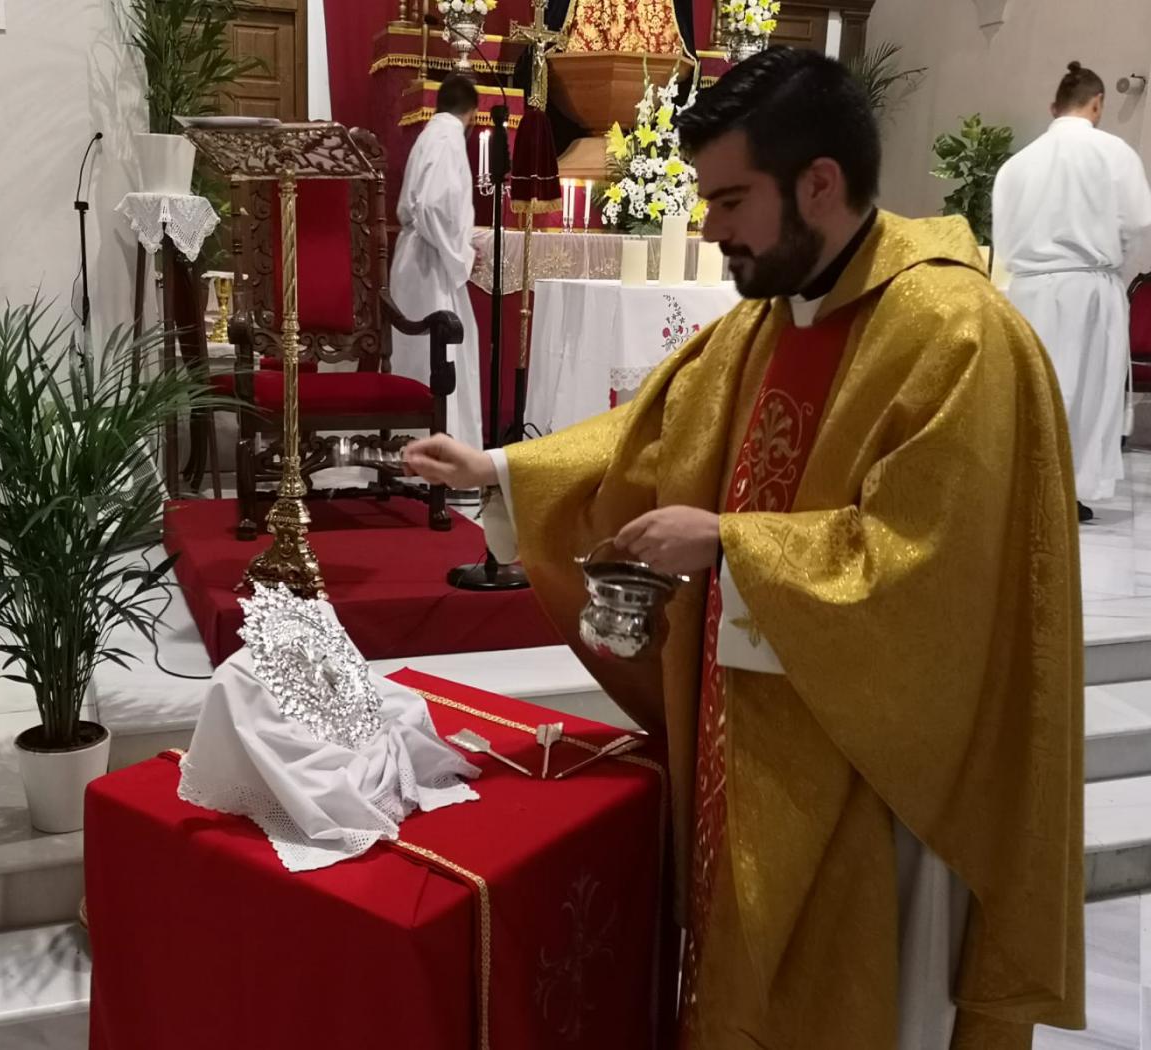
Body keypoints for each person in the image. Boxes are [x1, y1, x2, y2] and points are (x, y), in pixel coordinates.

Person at [404, 48, 1083, 1050]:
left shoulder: (956, 333)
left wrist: (728, 546)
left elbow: (934, 572)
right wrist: (498, 473)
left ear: (817, 182)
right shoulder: (769, 319)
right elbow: (649, 434)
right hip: (748, 729)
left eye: (728, 200)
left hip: (880, 770)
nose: (709, 227)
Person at [994, 61, 1151, 522]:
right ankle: (1068, 491)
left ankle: (1022, 485)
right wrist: (1109, 259)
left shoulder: (1017, 163)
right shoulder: (1113, 152)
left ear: (1053, 108)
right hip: (1088, 286)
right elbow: (1139, 220)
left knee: (1033, 390)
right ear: (1098, 104)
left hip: (1027, 289)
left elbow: (1003, 236)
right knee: (1083, 394)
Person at [390, 75, 482, 458]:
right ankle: (442, 459)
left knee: (423, 355)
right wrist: (459, 255)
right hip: (430, 264)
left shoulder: (431, 134)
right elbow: (431, 207)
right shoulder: (447, 140)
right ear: (473, 113)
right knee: (440, 356)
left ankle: (420, 455)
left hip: (420, 258)